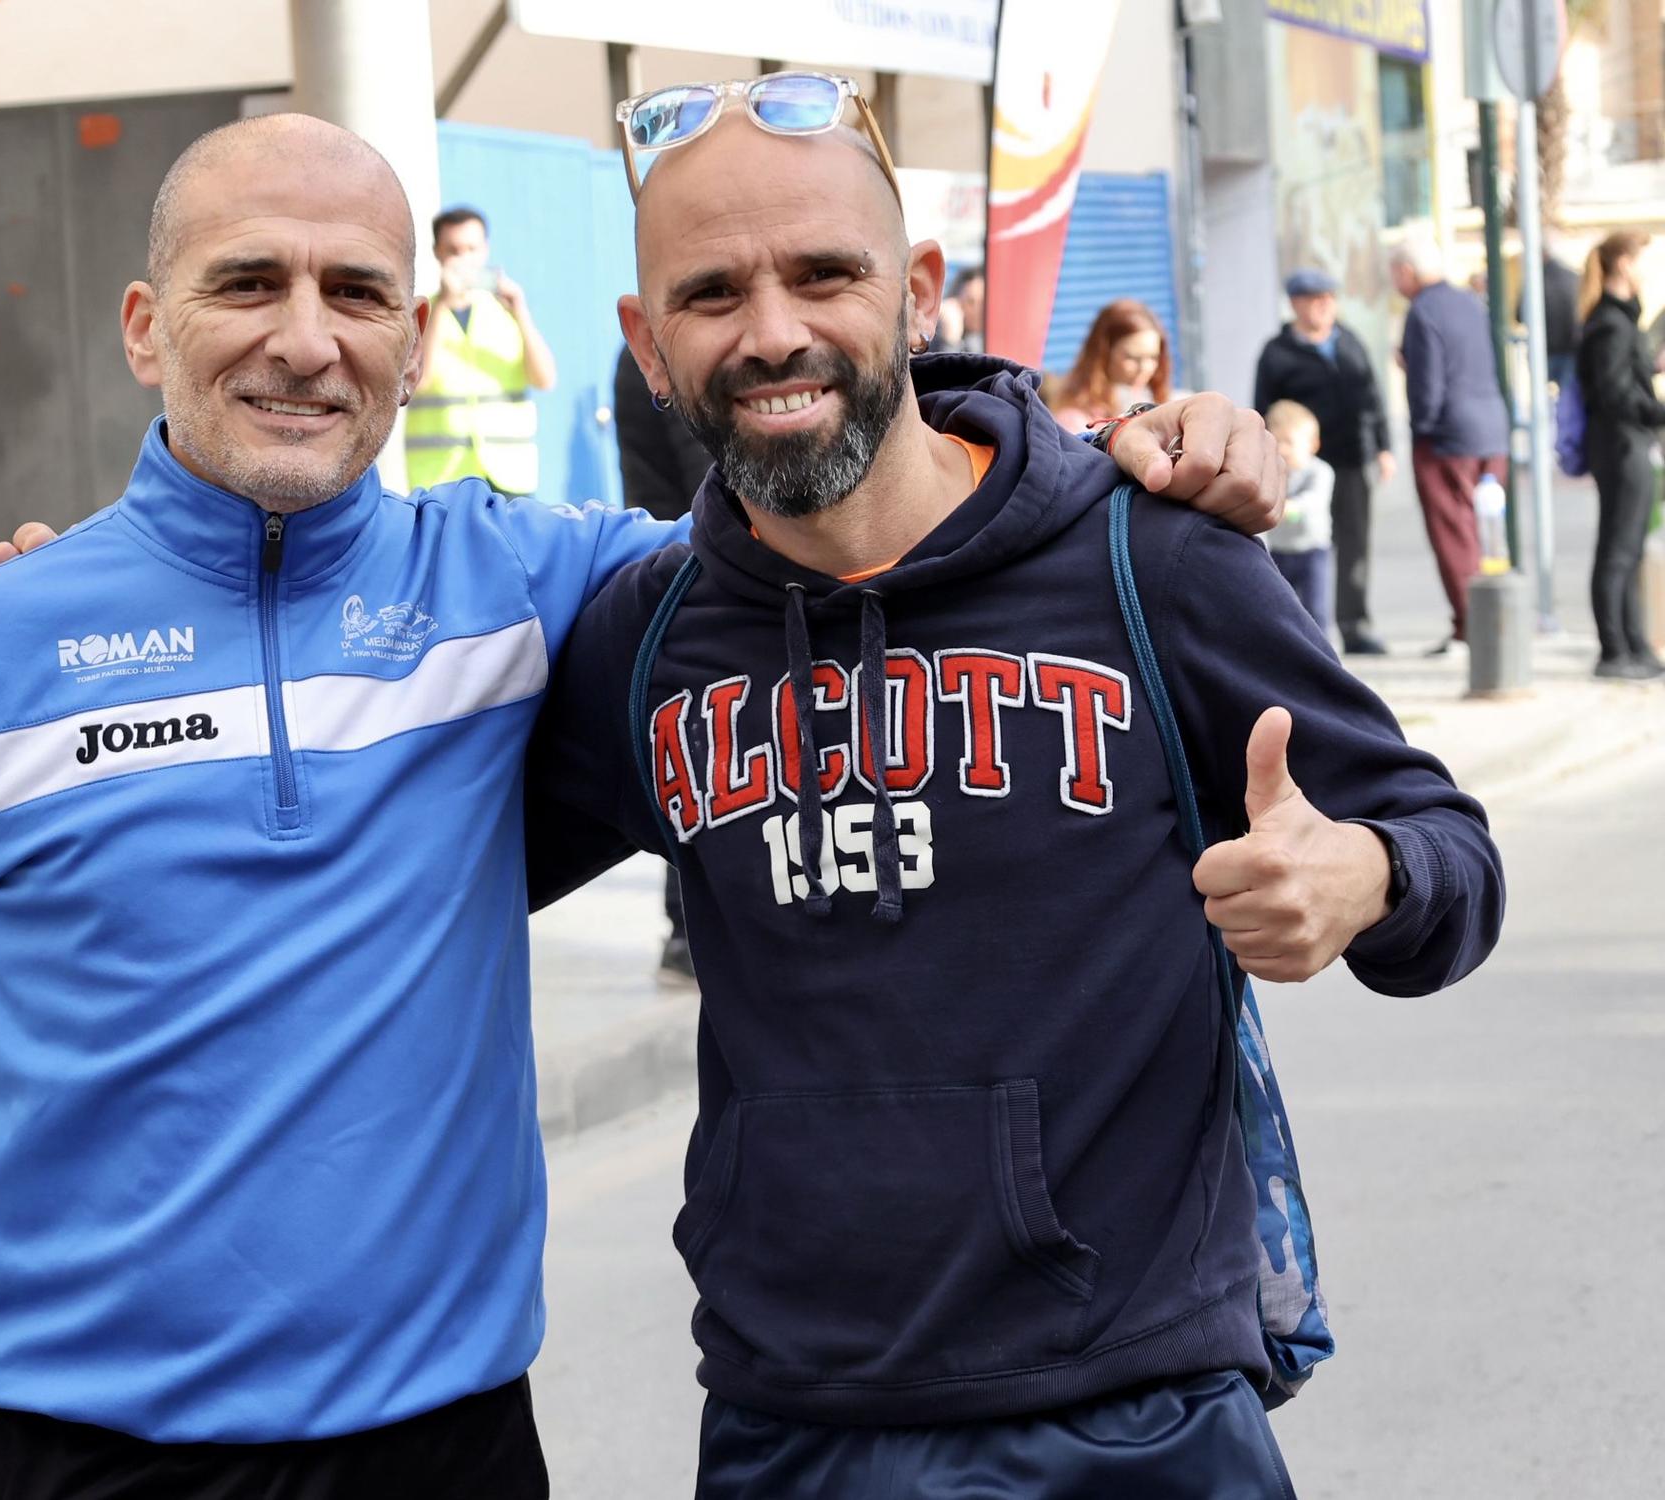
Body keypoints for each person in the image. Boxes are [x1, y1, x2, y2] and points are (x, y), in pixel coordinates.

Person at [0, 111, 1286, 1499]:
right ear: (147, 327)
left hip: (448, 1450)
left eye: (356, 293)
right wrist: (96, 1186)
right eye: (248, 285)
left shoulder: (534, 584)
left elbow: (830, 506)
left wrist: (1105, 456)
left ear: (418, 342)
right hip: (74, 1457)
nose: (304, 340)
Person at [529, 97, 1503, 1496]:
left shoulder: (1149, 560)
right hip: (789, 1430)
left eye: (823, 273)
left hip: (1137, 1425)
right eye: (712, 293)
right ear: (647, 341)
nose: (771, 331)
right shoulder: (647, 639)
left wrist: (1367, 876)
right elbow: (415, 870)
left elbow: (1449, 854)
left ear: (918, 290)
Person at [614, 343, 711, 981]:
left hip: (673, 571)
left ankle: (685, 931)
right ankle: (689, 929)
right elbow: (715, 477)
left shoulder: (642, 350)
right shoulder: (672, 351)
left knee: (691, 756)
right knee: (703, 761)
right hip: (703, 576)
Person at [1253, 268, 1394, 655]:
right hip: (1299, 465)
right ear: (1296, 304)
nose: (1323, 307)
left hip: (1353, 457)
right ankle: (1295, 630)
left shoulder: (1348, 340)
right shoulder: (1277, 353)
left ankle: (1355, 626)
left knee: (1354, 544)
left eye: (1329, 299)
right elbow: (1262, 410)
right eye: (1315, 301)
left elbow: (1374, 395)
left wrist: (1384, 446)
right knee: (1299, 543)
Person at [1390, 231, 1512, 656]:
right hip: (1491, 431)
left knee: (1454, 534)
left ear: (1406, 271)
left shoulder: (1422, 311)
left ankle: (1471, 628)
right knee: (1487, 532)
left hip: (1447, 439)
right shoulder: (1468, 302)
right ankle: (1496, 622)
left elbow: (1429, 385)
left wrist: (1420, 425)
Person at [407, 205, 556, 496]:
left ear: (485, 250)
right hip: (442, 476)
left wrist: (521, 311)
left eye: (472, 249)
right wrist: (442, 307)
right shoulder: (423, 315)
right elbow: (417, 381)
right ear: (437, 252)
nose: (464, 259)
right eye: (454, 250)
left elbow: (545, 379)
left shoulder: (506, 311)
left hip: (509, 475)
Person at [1575, 230, 1665, 680]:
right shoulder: (1610, 323)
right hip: (1620, 446)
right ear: (1623, 265)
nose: (1648, 267)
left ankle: (1636, 646)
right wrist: (1659, 409)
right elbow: (1614, 394)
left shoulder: (1618, 322)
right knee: (1618, 550)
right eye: (1642, 258)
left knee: (1627, 551)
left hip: (1626, 444)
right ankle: (1614, 651)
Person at [1045, 298, 1171, 432]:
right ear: (1104, 354)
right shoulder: (1075, 419)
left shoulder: (1152, 401)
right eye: (1132, 357)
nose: (1144, 368)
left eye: (1153, 357)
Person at [1264, 400, 1336, 636]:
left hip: (1312, 551)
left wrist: (1288, 508)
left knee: (1315, 608)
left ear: (1312, 444)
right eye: (1278, 442)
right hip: (1279, 552)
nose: (1283, 449)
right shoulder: (1270, 471)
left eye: (1290, 443)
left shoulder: (1320, 472)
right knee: (1280, 607)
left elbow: (1313, 502)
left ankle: (1323, 653)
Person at [1523, 252, 1582, 394]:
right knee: (1568, 397)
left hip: (1544, 348)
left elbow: (1520, 314)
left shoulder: (1535, 281)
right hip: (1569, 348)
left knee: (1541, 394)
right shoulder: (1573, 278)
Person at [933, 267, 984, 354]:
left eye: (983, 303)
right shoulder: (938, 335)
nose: (978, 310)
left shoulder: (988, 342)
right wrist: (950, 340)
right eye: (971, 302)